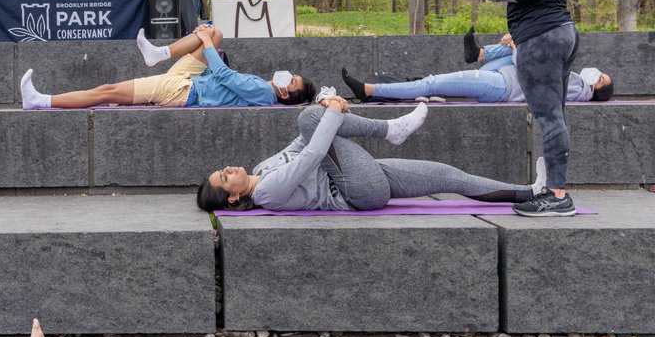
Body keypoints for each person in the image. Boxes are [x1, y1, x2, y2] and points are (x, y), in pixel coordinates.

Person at [196, 97, 551, 212]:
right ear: (232, 196)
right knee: (311, 117)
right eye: (224, 177)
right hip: (355, 191)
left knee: (447, 175)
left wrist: (328, 107)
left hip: (360, 170)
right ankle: (389, 130)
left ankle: (531, 192)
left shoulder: (261, 168)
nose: (228, 168)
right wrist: (333, 112)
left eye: (222, 168)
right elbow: (314, 153)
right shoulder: (266, 193)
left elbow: (300, 144)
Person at [478, 0, 580, 217]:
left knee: (549, 118)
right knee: (556, 116)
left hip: (541, 37)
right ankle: (554, 189)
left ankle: (556, 194)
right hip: (561, 33)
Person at [20, 24, 316, 109]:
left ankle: (41, 101)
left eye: (292, 82)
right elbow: (221, 78)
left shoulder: (261, 90)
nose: (289, 77)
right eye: (293, 76)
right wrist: (206, 39)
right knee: (215, 32)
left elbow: (224, 75)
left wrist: (207, 46)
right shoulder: (263, 91)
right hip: (190, 81)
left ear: (286, 96)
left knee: (105, 91)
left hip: (182, 90)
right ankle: (158, 53)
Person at [340, 29, 614, 104]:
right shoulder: (576, 81)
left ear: (595, 87)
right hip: (504, 74)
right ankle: (479, 52)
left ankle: (370, 89)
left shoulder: (576, 85)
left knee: (432, 82)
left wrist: (519, 46)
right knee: (515, 43)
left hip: (502, 86)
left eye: (601, 77)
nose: (597, 72)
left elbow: (533, 74)